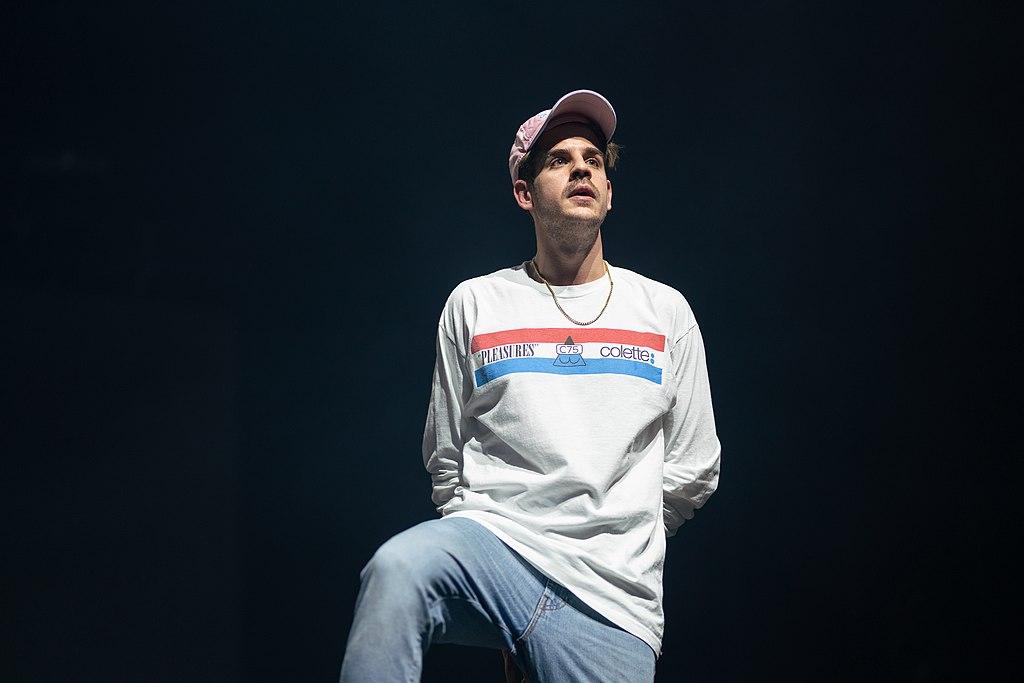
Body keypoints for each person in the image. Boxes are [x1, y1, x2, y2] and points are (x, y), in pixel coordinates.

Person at [339, 90, 721, 682]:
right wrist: (492, 567)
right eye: (559, 160)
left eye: (593, 160)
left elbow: (694, 467)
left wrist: (621, 533)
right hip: (496, 547)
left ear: (609, 192)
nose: (581, 170)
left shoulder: (664, 311)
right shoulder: (476, 303)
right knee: (398, 571)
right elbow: (447, 458)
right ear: (525, 192)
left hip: (610, 599)